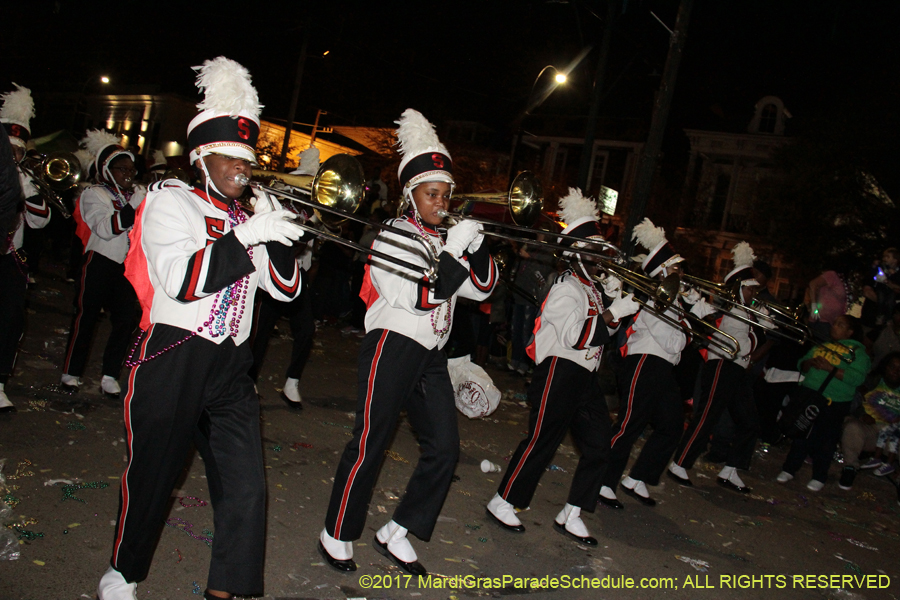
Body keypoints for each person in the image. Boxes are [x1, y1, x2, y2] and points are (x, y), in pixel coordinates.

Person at [96, 57, 304, 600]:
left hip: (231, 366)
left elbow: (286, 289)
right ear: (200, 158)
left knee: (246, 486)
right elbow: (182, 281)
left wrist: (277, 232)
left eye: (247, 157)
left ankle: (227, 589)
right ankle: (123, 573)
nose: (242, 166)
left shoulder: (250, 218)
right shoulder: (171, 201)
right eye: (229, 155)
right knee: (154, 476)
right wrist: (247, 235)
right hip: (174, 356)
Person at [318, 109, 497, 576]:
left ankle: (397, 530)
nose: (441, 202)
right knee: (371, 441)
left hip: (430, 356)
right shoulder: (394, 236)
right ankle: (336, 531)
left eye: (445, 194)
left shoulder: (443, 240)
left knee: (445, 448)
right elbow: (421, 297)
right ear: (411, 195)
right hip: (392, 347)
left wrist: (477, 246)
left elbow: (481, 289)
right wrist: (454, 250)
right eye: (431, 194)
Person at [485, 188, 638, 545]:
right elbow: (576, 336)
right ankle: (503, 500)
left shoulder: (591, 290)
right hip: (558, 371)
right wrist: (613, 312)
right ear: (577, 255)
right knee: (542, 441)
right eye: (595, 254)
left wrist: (613, 302)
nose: (601, 261)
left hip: (584, 377)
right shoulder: (565, 288)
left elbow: (602, 333)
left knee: (599, 445)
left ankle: (572, 512)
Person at [599, 218, 689, 509]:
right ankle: (602, 480)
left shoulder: (675, 301)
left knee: (672, 426)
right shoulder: (655, 299)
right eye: (675, 268)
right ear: (662, 272)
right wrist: (685, 334)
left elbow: (680, 339)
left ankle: (638, 477)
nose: (681, 273)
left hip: (663, 368)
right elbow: (673, 342)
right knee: (629, 425)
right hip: (645, 363)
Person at [668, 242, 765, 493]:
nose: (754, 293)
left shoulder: (748, 312)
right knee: (708, 416)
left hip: (737, 370)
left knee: (750, 421)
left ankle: (730, 470)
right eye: (750, 289)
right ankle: (680, 464)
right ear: (740, 288)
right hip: (723, 365)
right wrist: (760, 331)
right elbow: (741, 346)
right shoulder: (734, 312)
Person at [60, 130, 145, 397]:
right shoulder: (93, 194)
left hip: (127, 266)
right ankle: (71, 373)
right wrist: (136, 205)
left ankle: (110, 375)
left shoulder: (135, 195)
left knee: (125, 321)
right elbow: (107, 228)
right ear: (107, 170)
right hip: (100, 262)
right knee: (85, 318)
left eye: (131, 169)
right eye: (122, 169)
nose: (129, 174)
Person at [775, 315, 870, 491]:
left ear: (850, 331)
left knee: (826, 439)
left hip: (834, 402)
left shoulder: (857, 352)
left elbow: (856, 378)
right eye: (834, 323)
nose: (834, 327)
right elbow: (801, 365)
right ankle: (789, 468)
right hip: (810, 396)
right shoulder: (823, 345)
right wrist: (810, 362)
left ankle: (819, 476)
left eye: (840, 325)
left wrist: (830, 368)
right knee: (801, 433)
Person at [0, 84, 50, 412]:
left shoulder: (26, 179)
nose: (14, 156)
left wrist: (26, 189)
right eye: (9, 149)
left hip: (10, 259)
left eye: (18, 151)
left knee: (9, 322)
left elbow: (40, 221)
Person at [840, 352, 900, 488]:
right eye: (893, 367)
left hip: (893, 436)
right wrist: (861, 414)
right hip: (869, 429)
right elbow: (852, 400)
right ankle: (850, 467)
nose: (896, 372)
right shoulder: (871, 381)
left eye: (899, 369)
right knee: (852, 426)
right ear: (886, 367)